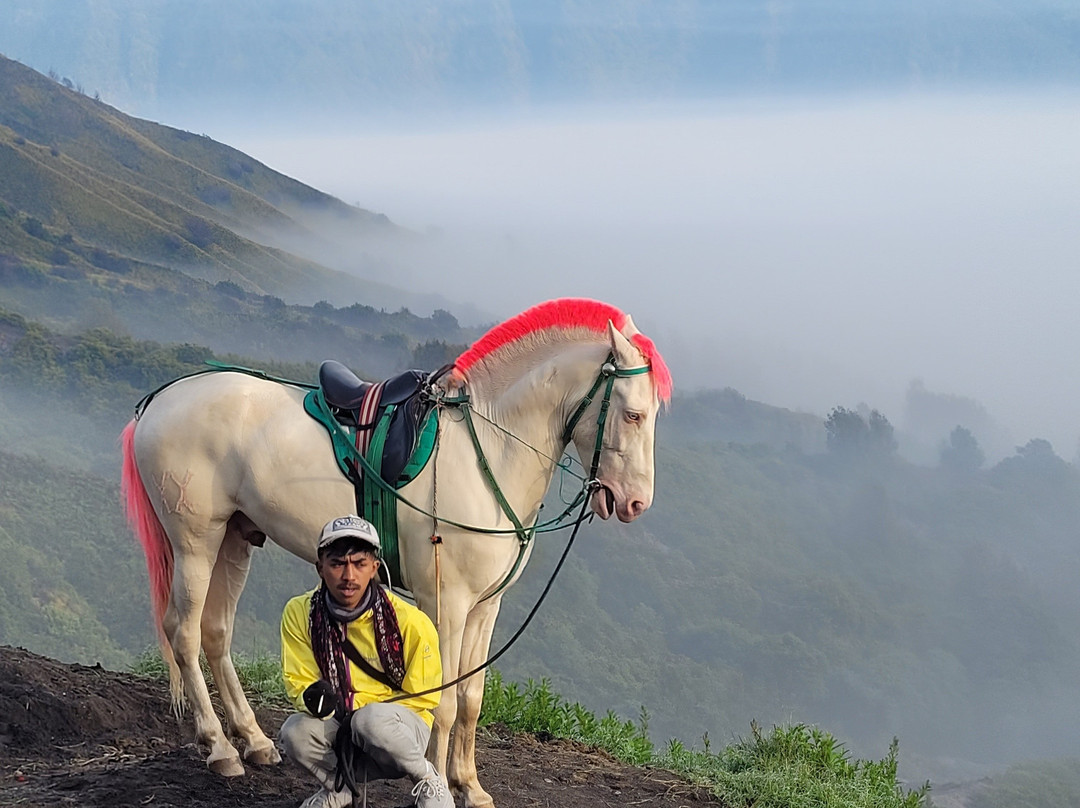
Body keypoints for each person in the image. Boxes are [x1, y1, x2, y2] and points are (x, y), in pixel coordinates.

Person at [279, 514, 453, 808]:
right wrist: (317, 700)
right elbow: (300, 681)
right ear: (320, 567)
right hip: (338, 725)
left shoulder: (410, 622)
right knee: (294, 732)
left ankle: (429, 780)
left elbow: (422, 698)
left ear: (374, 567)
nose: (349, 576)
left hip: (396, 735)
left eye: (359, 564)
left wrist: (359, 713)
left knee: (369, 721)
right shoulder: (300, 614)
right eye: (337, 564)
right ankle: (339, 788)